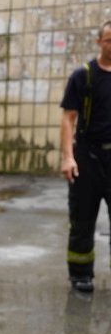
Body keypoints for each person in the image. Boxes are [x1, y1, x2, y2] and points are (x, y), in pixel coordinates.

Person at [59, 20, 111, 294]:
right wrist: (68, 157)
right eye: (108, 40)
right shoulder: (83, 76)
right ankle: (80, 275)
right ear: (99, 42)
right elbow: (68, 119)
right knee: (82, 220)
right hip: (87, 156)